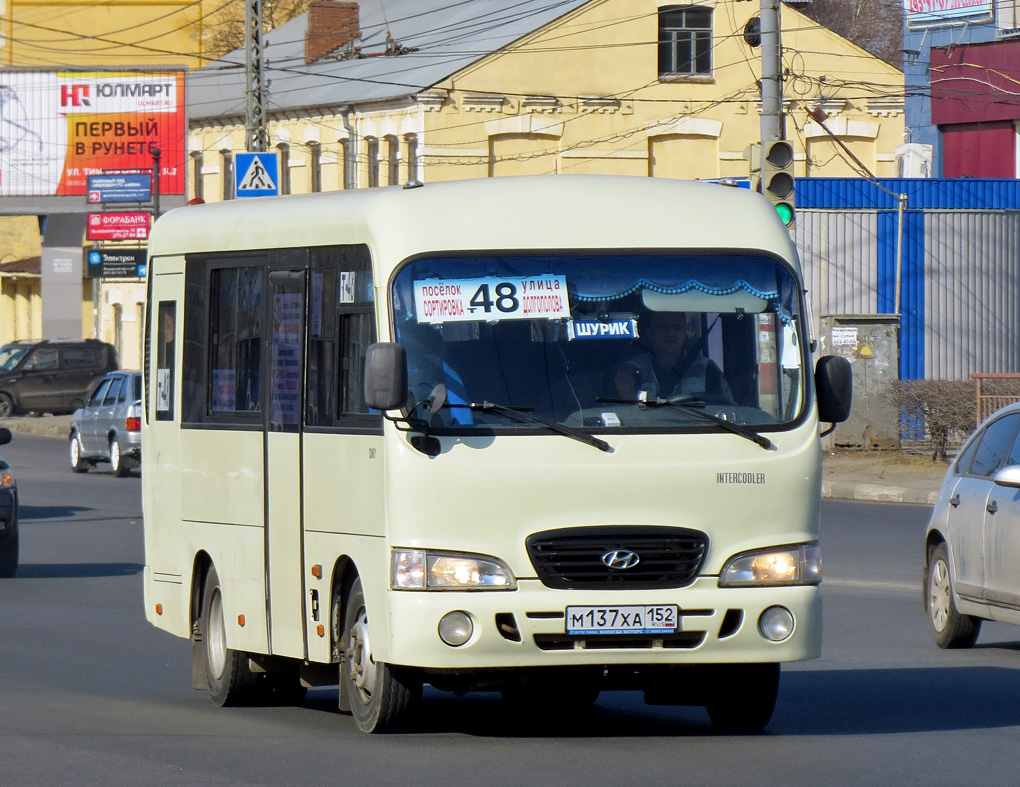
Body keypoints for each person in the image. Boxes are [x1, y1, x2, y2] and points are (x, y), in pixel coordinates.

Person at [613, 310, 734, 404]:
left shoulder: (707, 369)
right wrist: (627, 394)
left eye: (676, 327)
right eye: (662, 327)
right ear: (649, 333)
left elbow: (727, 411)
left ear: (685, 332)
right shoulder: (629, 371)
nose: (670, 333)